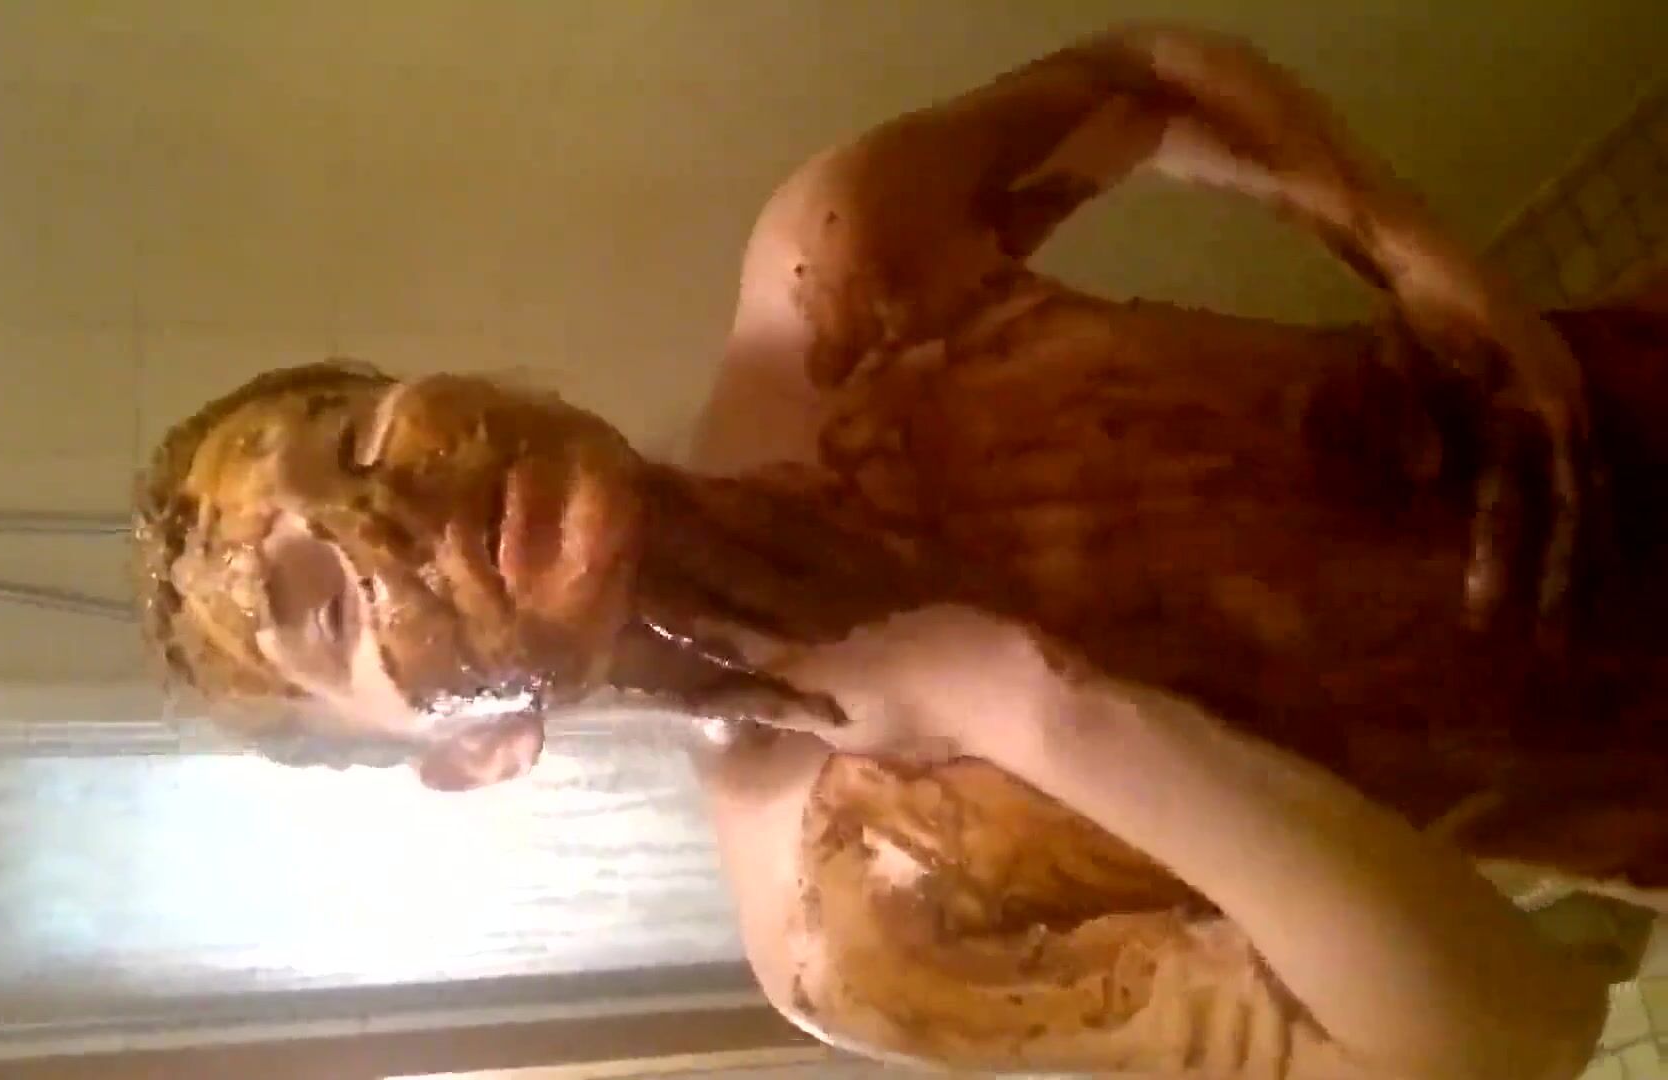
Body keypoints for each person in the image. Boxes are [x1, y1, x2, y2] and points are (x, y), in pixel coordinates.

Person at [129, 23, 1663, 1079]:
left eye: (356, 435)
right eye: (323, 605)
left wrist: (1436, 279)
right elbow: (1500, 1038)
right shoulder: (848, 923)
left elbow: (1145, 82)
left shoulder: (843, 282)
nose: (397, 517)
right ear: (477, 756)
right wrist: (1033, 708)